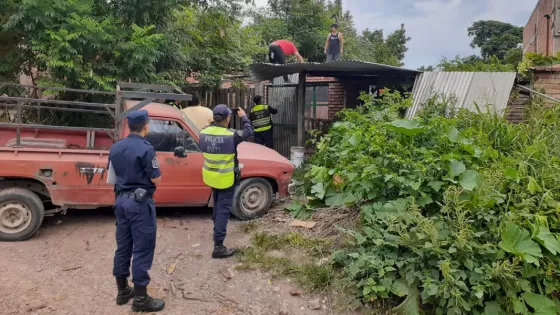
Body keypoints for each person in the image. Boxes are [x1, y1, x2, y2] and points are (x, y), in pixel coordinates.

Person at [109, 110, 165, 313]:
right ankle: (141, 299)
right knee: (142, 248)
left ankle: (123, 291)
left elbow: (112, 178)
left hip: (121, 202)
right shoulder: (146, 148)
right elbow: (156, 179)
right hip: (139, 204)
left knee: (123, 246)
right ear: (145, 125)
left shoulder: (116, 147)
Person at [199, 104, 253, 258]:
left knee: (217, 205)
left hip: (210, 176)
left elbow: (204, 134)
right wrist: (243, 116)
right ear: (227, 119)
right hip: (225, 179)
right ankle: (218, 248)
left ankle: (217, 231)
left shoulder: (203, 132)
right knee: (223, 211)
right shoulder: (231, 135)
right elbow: (249, 132)